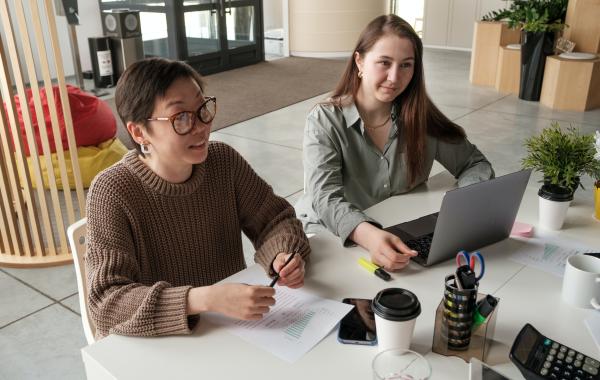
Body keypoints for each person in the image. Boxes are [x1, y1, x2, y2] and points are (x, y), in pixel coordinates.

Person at [86, 57, 310, 339]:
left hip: (233, 330)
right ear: (139, 132)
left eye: (202, 108)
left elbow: (276, 220)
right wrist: (205, 299)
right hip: (161, 343)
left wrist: (282, 254)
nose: (202, 126)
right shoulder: (112, 191)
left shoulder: (222, 161)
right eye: (180, 117)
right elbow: (106, 302)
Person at [296, 15, 493, 272]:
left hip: (396, 231)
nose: (394, 77)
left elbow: (473, 163)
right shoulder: (324, 120)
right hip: (329, 236)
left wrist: (464, 205)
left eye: (406, 65)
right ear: (360, 62)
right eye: (384, 63)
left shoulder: (421, 117)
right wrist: (369, 235)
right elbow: (325, 198)